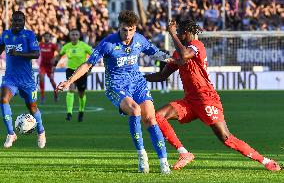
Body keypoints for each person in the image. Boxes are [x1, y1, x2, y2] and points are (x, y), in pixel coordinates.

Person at [144, 19, 281, 171]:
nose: (179, 34)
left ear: (187, 33)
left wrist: (172, 33)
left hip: (206, 99)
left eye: (180, 32)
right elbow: (162, 76)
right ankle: (184, 153)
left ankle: (266, 161)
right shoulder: (178, 53)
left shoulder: (196, 46)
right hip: (190, 101)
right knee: (158, 116)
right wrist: (140, 77)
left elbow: (184, 55)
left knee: (226, 138)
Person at [56, 10, 172, 174]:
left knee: (151, 120)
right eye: (124, 29)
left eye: (131, 29)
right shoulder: (108, 43)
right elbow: (88, 64)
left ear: (135, 28)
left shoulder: (139, 39)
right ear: (119, 26)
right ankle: (142, 156)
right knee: (135, 110)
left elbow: (156, 52)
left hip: (138, 82)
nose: (127, 33)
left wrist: (172, 59)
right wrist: (69, 81)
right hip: (116, 85)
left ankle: (164, 162)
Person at [0, 11, 46, 148]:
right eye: (15, 21)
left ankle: (41, 131)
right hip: (10, 78)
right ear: (11, 21)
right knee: (3, 99)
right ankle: (11, 133)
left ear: (24, 21)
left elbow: (36, 54)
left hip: (27, 81)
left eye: (20, 21)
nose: (17, 23)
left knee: (32, 108)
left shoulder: (29, 35)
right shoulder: (6, 34)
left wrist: (18, 53)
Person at [54, 29, 93, 122]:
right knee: (71, 89)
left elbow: (93, 56)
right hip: (70, 70)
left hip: (82, 72)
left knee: (81, 94)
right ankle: (69, 113)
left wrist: (90, 68)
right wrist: (55, 62)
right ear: (70, 36)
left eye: (76, 34)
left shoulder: (84, 45)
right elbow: (59, 55)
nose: (74, 36)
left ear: (79, 36)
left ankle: (81, 111)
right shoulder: (66, 46)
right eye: (73, 34)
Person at [39, 32, 58, 103]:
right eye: (45, 36)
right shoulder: (41, 45)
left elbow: (58, 53)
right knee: (41, 78)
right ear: (44, 37)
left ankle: (56, 93)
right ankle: (42, 96)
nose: (46, 38)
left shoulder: (52, 45)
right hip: (43, 65)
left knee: (52, 81)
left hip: (50, 66)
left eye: (48, 36)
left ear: (50, 38)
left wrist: (55, 59)